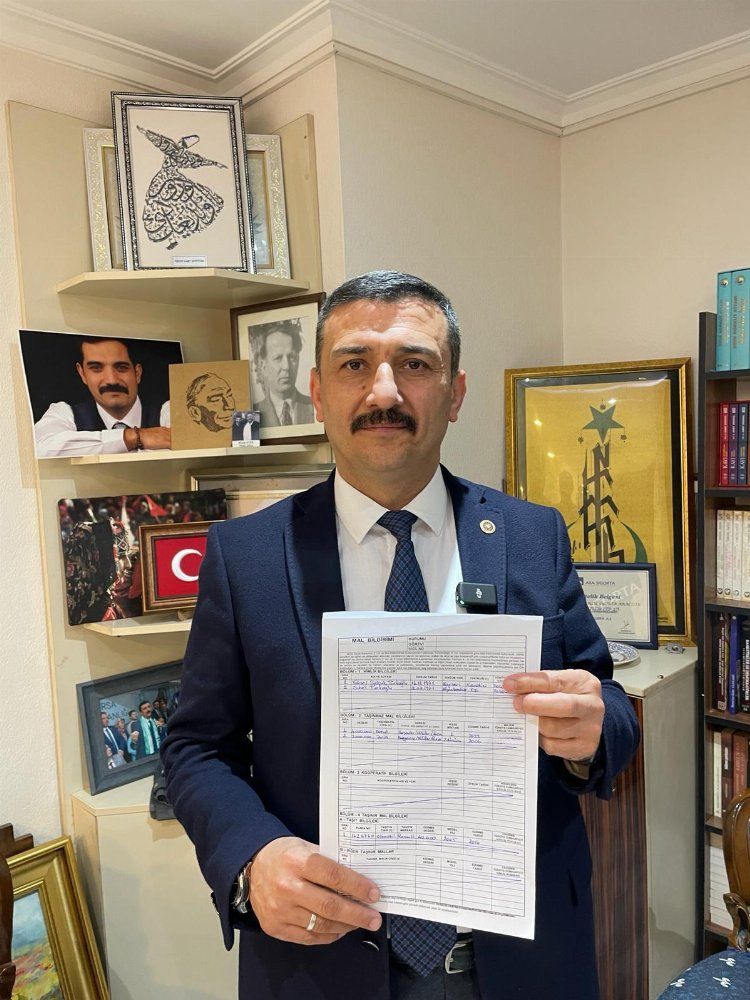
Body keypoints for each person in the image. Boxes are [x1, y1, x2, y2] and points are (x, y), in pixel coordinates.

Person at [162, 270, 640, 1000]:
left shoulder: (531, 537)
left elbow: (608, 703)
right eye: (355, 364)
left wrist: (594, 728)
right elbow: (197, 747)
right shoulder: (245, 558)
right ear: (318, 392)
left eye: (414, 364)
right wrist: (250, 857)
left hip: (524, 961)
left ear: (455, 391)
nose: (383, 391)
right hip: (322, 968)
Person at [34, 337, 171, 458]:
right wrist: (134, 437)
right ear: (82, 374)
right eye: (96, 368)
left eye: (121, 368)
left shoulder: (168, 410)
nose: (111, 380)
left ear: (137, 373)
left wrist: (86, 449)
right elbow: (42, 449)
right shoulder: (63, 413)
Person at [252, 320, 314, 427]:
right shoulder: (252, 413)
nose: (287, 367)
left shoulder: (315, 407)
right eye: (278, 358)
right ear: (263, 365)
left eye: (292, 357)